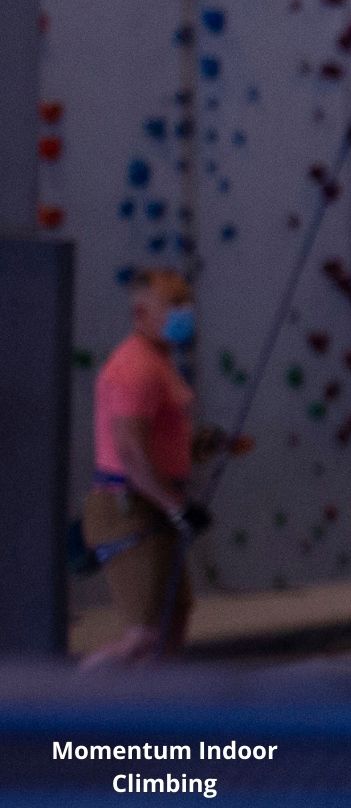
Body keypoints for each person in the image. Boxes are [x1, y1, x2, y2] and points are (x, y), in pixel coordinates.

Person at [80, 268, 210, 669]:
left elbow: (162, 442)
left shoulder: (161, 363)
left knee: (173, 619)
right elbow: (132, 451)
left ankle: (152, 713)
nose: (184, 312)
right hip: (130, 508)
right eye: (173, 304)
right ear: (141, 313)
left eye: (186, 302)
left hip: (153, 501)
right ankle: (68, 702)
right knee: (144, 636)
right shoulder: (135, 368)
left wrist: (210, 444)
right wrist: (175, 506)